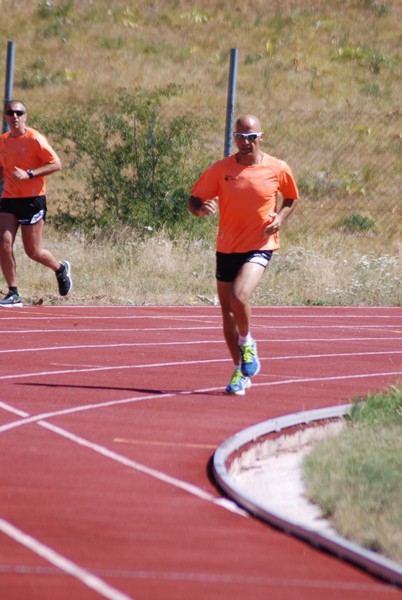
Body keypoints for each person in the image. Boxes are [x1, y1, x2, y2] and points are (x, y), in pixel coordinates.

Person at [189, 114, 299, 395]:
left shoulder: (277, 167)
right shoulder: (221, 169)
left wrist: (280, 219)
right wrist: (200, 209)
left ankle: (248, 343)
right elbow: (194, 198)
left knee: (239, 296)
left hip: (260, 244)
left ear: (260, 137)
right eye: (240, 137)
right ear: (234, 137)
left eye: (251, 137)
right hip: (227, 247)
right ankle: (240, 371)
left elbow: (291, 197)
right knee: (227, 314)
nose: (245, 142)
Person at [0, 99, 72, 307]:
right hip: (9, 198)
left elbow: (56, 163)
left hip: (33, 198)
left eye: (19, 113)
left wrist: (30, 174)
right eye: (10, 112)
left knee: (33, 252)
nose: (15, 116)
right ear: (5, 117)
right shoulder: (3, 141)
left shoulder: (34, 139)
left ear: (25, 116)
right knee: (4, 244)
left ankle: (60, 269)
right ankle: (13, 293)